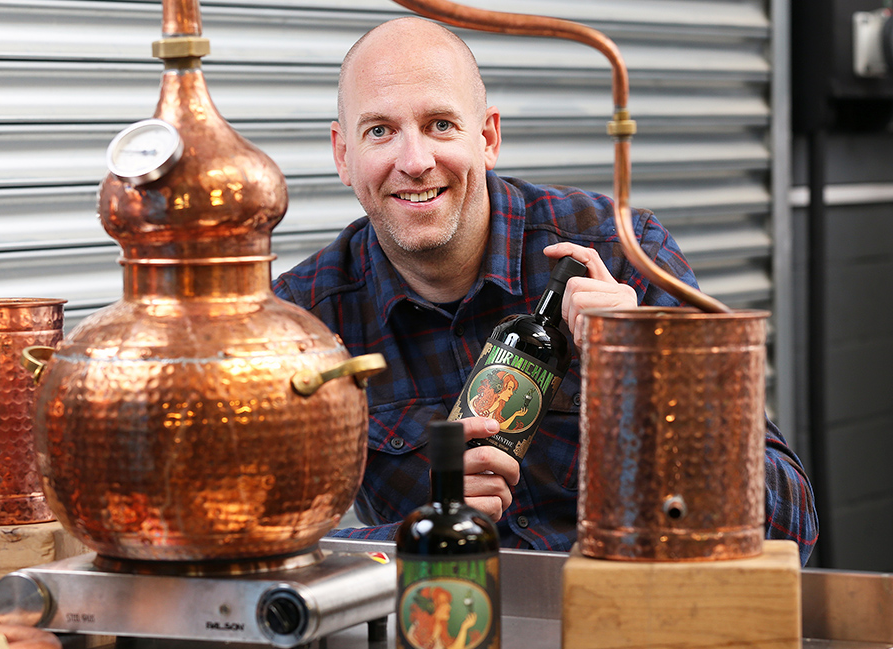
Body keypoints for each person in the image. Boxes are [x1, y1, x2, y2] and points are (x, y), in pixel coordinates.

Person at [272, 17, 818, 564]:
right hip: (449, 624)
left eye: (440, 125)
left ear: (487, 137)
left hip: (633, 618)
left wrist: (645, 374)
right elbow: (251, 544)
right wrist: (420, 532)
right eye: (380, 132)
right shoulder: (305, 318)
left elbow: (791, 525)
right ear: (343, 155)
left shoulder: (622, 251)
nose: (414, 162)